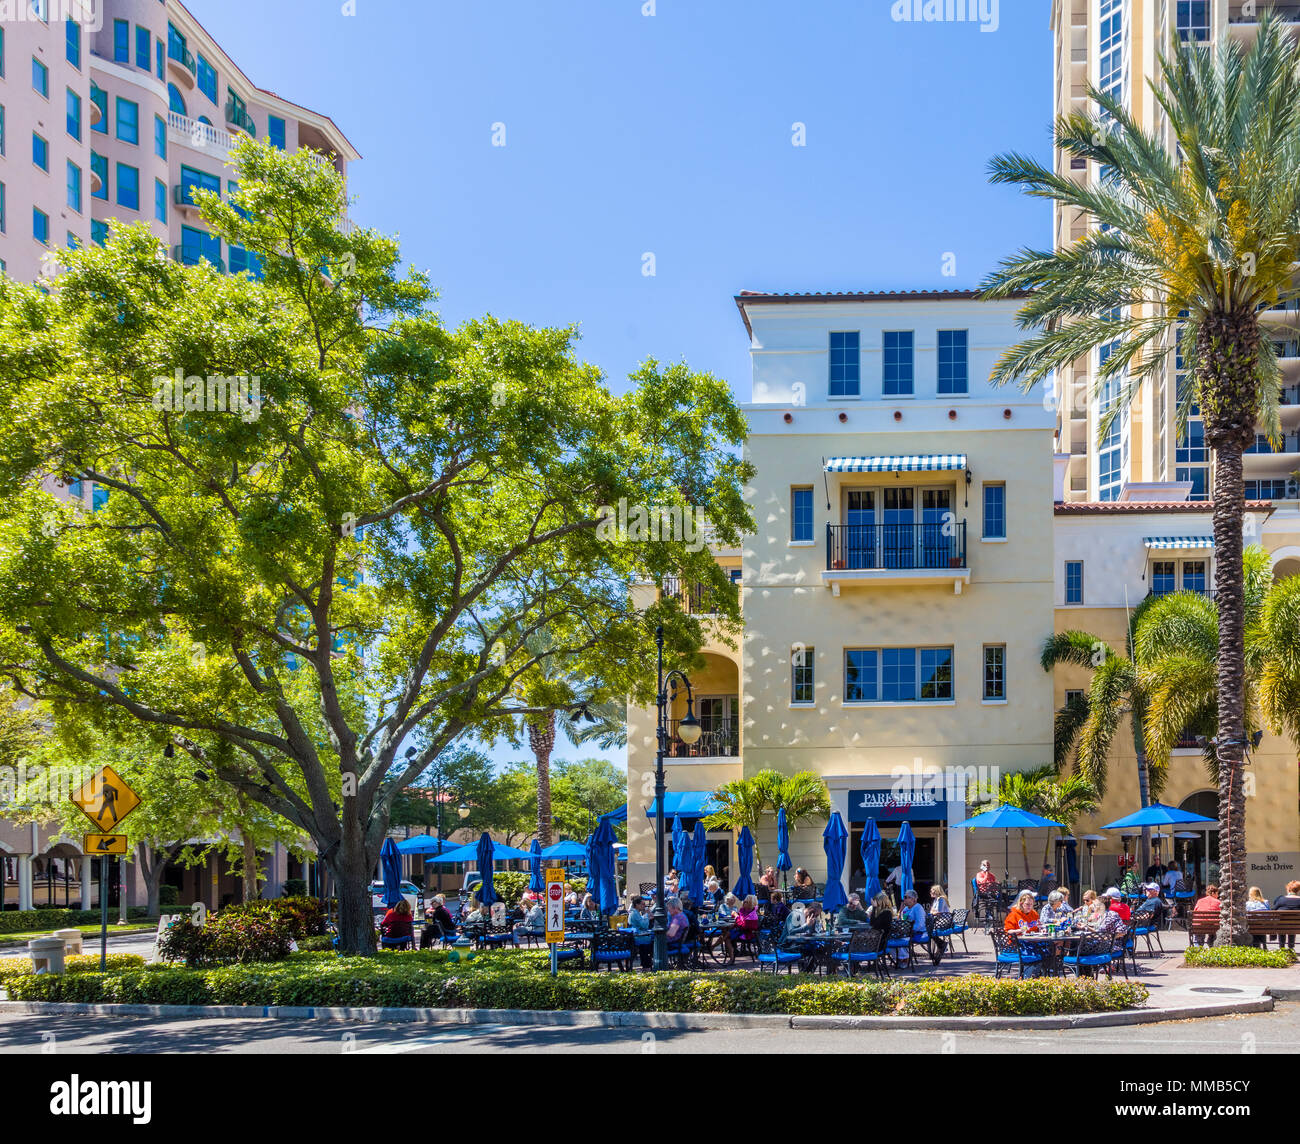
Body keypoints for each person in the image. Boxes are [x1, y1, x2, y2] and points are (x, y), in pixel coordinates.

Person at [1271, 880, 1300, 950]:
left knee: (1282, 923)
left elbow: (1273, 910)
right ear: (1298, 890)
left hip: (1282, 926)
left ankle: (1282, 947)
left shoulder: (1281, 899)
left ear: (1288, 889)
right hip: (1296, 926)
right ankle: (1291, 947)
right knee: (1293, 924)